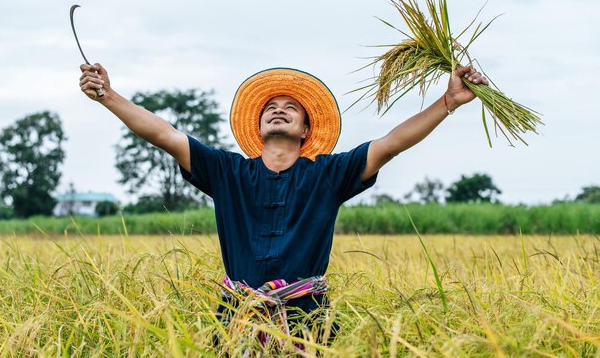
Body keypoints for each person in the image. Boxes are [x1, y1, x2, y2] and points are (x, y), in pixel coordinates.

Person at [78, 64, 487, 347]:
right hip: (237, 315)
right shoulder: (227, 171)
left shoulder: (329, 174)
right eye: (271, 108)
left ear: (306, 129)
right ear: (258, 128)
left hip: (309, 319)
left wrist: (447, 102)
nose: (279, 109)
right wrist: (108, 96)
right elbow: (165, 135)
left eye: (291, 108)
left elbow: (391, 144)